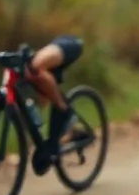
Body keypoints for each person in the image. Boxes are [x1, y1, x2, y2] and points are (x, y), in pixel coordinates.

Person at [23, 34, 92, 173]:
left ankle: (63, 109)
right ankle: (69, 130)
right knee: (40, 98)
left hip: (64, 43)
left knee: (36, 66)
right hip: (40, 55)